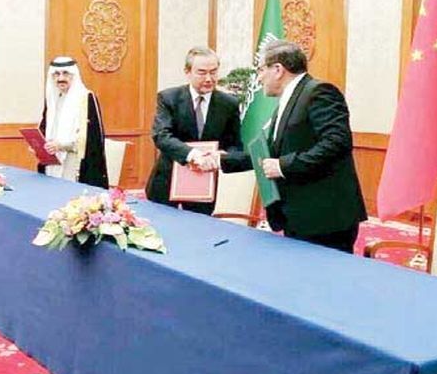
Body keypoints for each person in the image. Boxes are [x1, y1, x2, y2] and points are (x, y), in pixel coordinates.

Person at [257, 40, 366, 253]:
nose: (259, 78)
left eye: (261, 70)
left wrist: (284, 166)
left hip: (325, 219)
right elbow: (270, 152)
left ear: (278, 69)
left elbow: (336, 142)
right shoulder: (288, 100)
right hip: (298, 215)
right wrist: (219, 159)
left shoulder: (319, 92)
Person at [145, 46, 248, 214]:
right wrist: (193, 155)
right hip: (167, 182)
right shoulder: (169, 98)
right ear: (187, 72)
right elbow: (161, 136)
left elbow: (235, 145)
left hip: (205, 184)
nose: (209, 78)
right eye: (202, 72)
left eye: (213, 72)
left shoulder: (229, 103)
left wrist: (222, 156)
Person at [38, 56, 108, 188]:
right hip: (52, 159)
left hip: (74, 162)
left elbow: (91, 139)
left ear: (74, 75)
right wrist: (37, 144)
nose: (61, 78)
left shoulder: (86, 98)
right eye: (56, 74)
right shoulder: (53, 99)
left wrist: (62, 146)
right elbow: (44, 127)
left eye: (65, 73)